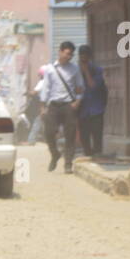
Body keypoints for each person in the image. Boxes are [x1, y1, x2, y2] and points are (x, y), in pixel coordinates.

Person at [39, 41, 83, 173]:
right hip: (53, 105)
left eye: (71, 54)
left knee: (70, 135)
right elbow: (45, 88)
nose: (69, 56)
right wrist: (42, 106)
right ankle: (55, 154)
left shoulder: (75, 69)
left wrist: (78, 101)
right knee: (49, 133)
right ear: (60, 51)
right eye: (67, 53)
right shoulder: (50, 69)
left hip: (69, 106)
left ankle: (68, 164)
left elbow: (80, 87)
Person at [77, 45, 107, 158]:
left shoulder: (97, 70)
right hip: (82, 109)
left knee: (97, 135)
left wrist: (86, 72)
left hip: (96, 108)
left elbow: (93, 86)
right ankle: (88, 155)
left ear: (89, 57)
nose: (83, 59)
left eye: (85, 56)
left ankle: (98, 155)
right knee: (84, 136)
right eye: (81, 56)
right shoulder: (75, 70)